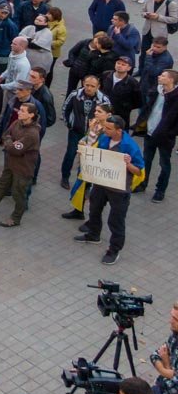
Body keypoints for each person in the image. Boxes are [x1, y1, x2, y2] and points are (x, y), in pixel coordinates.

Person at [75, 115, 145, 265]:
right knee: (94, 209)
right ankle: (94, 234)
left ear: (119, 130)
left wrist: (128, 165)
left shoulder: (130, 146)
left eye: (108, 128)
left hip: (119, 190)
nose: (104, 130)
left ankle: (114, 249)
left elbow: (139, 171)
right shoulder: (105, 139)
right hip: (101, 184)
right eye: (105, 127)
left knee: (116, 220)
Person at [0, 101, 41, 227]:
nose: (19, 112)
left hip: (23, 169)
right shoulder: (17, 123)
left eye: (22, 111)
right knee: (2, 185)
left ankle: (15, 218)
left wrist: (10, 143)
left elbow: (15, 149)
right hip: (10, 164)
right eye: (19, 109)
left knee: (18, 194)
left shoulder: (32, 133)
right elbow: (5, 135)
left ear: (31, 115)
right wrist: (11, 142)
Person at [140, 69, 178, 203]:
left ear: (171, 80)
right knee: (146, 160)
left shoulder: (175, 96)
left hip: (165, 137)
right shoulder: (157, 90)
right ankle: (142, 183)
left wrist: (170, 133)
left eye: (163, 76)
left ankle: (160, 190)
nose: (159, 77)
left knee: (164, 164)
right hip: (150, 132)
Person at [149, 301, 178, 394]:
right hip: (159, 389)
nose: (171, 321)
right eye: (172, 316)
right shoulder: (175, 336)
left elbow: (174, 390)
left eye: (176, 319)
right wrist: (168, 372)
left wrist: (165, 364)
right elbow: (155, 355)